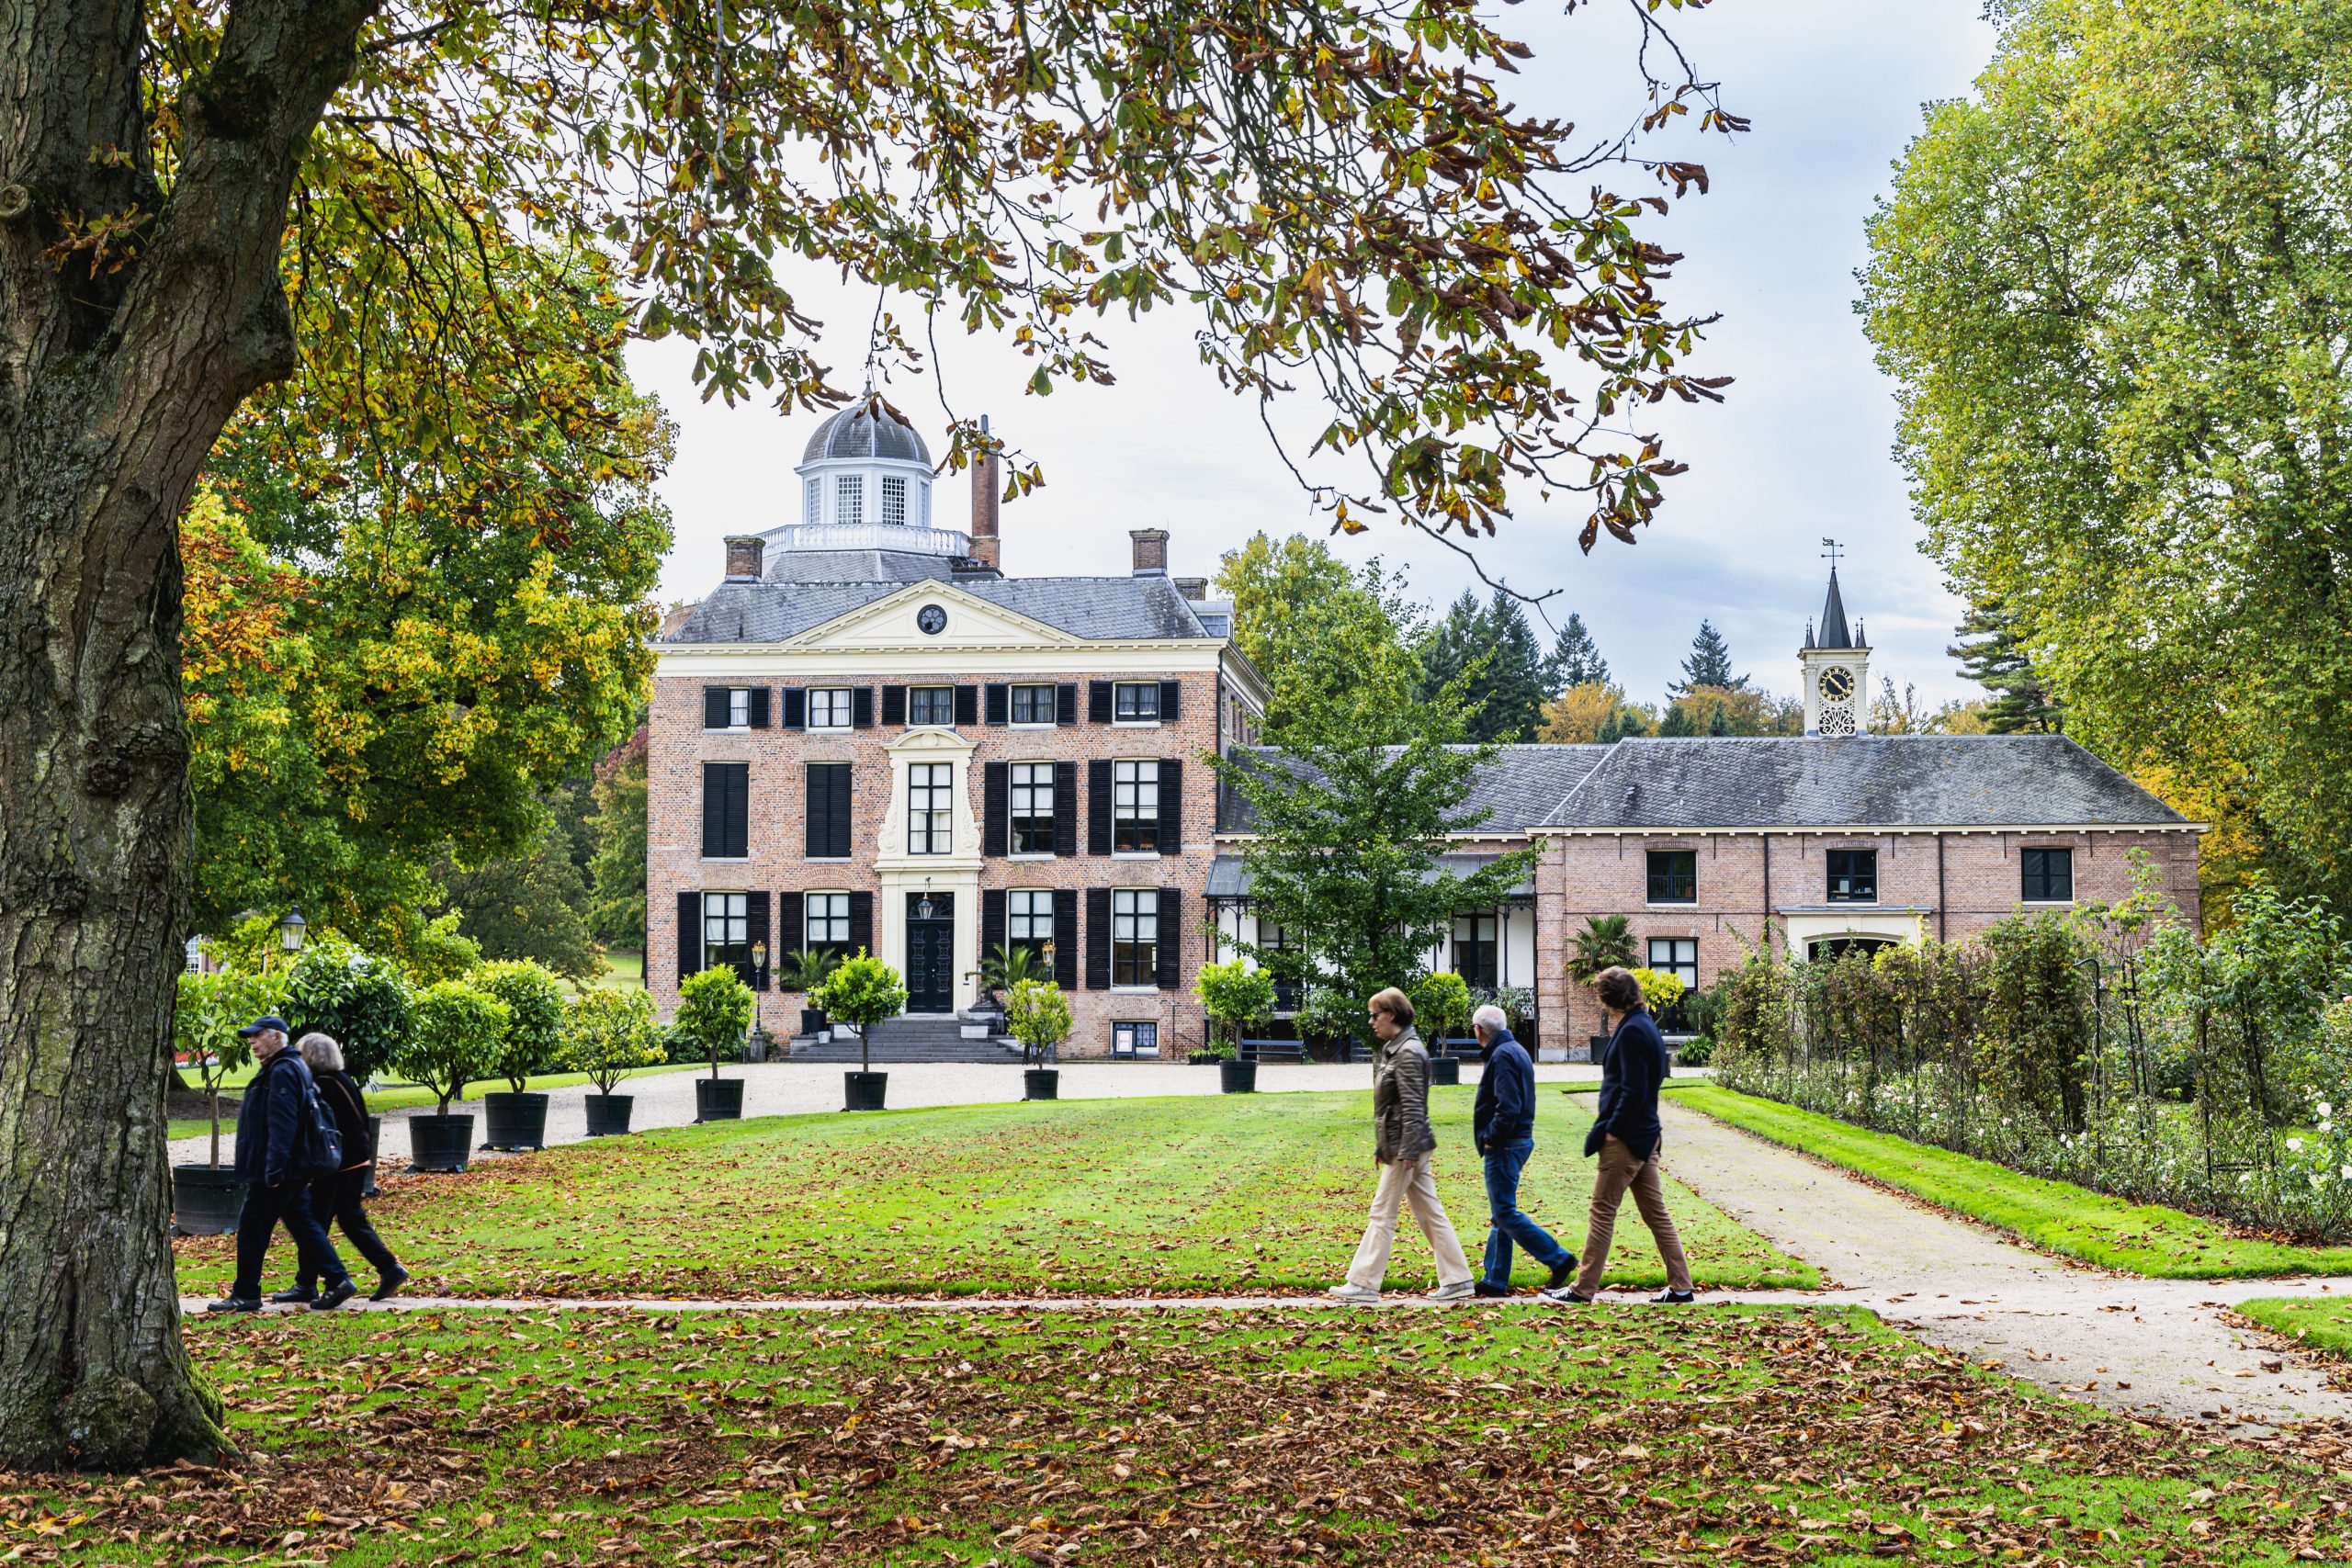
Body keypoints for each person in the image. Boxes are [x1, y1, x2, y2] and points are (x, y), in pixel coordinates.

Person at [1544, 967, 1695, 1304]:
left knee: (1602, 1210)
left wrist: (1611, 1129)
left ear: (1607, 999)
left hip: (1626, 1140)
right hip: (1645, 1134)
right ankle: (1681, 1286)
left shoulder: (1631, 1032)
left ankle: (1582, 1289)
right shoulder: (1646, 1026)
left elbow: (1632, 1090)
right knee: (1656, 1214)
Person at [1328, 987, 1476, 1305]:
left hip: (1408, 1147)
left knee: (1382, 1213)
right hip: (1407, 1144)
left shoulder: (1408, 1052)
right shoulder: (1400, 1048)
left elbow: (1413, 1106)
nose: (1371, 1022)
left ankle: (1364, 1283)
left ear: (1391, 1015)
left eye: (1375, 1015)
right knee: (1430, 1213)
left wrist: (1405, 1150)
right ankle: (1458, 1279)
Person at [205, 1015, 358, 1314]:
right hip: (287, 1167)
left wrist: (274, 1169)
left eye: (257, 1035)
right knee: (303, 1224)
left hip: (277, 1169)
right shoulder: (286, 1067)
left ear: (277, 1036)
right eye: (250, 1036)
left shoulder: (283, 1070)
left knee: (252, 1226)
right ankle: (338, 1279)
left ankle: (246, 1293)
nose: (252, 1041)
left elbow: (283, 1123)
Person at [268, 1033, 408, 1304]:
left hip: (336, 1163)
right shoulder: (342, 1080)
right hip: (355, 1158)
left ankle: (314, 1283)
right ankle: (311, 1281)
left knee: (312, 1221)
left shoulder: (322, 1085)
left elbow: (316, 1126)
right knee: (343, 1218)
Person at [1468, 1003, 1575, 1297]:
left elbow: (1508, 1106)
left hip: (1506, 1142)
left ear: (1479, 1031)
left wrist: (1491, 1137)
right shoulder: (1516, 1049)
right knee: (1501, 1213)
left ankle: (1558, 1258)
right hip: (1519, 1138)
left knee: (1504, 1212)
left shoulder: (1502, 1055)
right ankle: (1494, 1279)